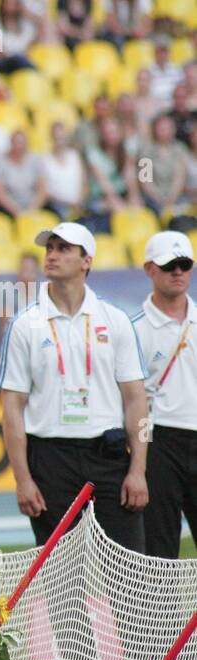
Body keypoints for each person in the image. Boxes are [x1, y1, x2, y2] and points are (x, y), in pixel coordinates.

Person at [0, 222, 150, 550]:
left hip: (109, 455)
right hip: (50, 459)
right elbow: (11, 407)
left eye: (63, 248)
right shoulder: (25, 324)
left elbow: (137, 400)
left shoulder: (115, 319)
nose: (51, 255)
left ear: (86, 261)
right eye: (49, 248)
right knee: (61, 577)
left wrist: (138, 470)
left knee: (127, 569)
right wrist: (22, 479)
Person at [131, 232, 196, 559]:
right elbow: (132, 402)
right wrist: (138, 462)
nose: (177, 272)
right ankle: (162, 612)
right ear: (149, 269)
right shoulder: (134, 330)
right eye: (168, 265)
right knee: (160, 548)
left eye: (184, 264)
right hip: (159, 442)